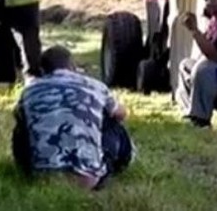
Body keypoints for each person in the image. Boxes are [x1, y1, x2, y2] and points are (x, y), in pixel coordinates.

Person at [11, 46, 135, 190]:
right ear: (72, 66)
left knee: (22, 123)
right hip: (89, 179)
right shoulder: (95, 86)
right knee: (111, 120)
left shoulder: (30, 91)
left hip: (40, 178)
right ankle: (96, 164)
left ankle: (40, 164)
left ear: (42, 71)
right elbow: (121, 114)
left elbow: (18, 118)